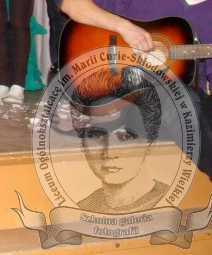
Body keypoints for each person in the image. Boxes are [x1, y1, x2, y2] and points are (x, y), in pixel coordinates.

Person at [61, 0, 212, 210]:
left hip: (183, 112)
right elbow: (71, 3)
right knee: (177, 92)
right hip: (124, 106)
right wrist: (125, 28)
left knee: (186, 95)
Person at [69, 68, 168, 213]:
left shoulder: (169, 204)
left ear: (150, 143)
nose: (110, 153)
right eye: (97, 136)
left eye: (126, 137)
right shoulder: (82, 209)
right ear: (82, 145)